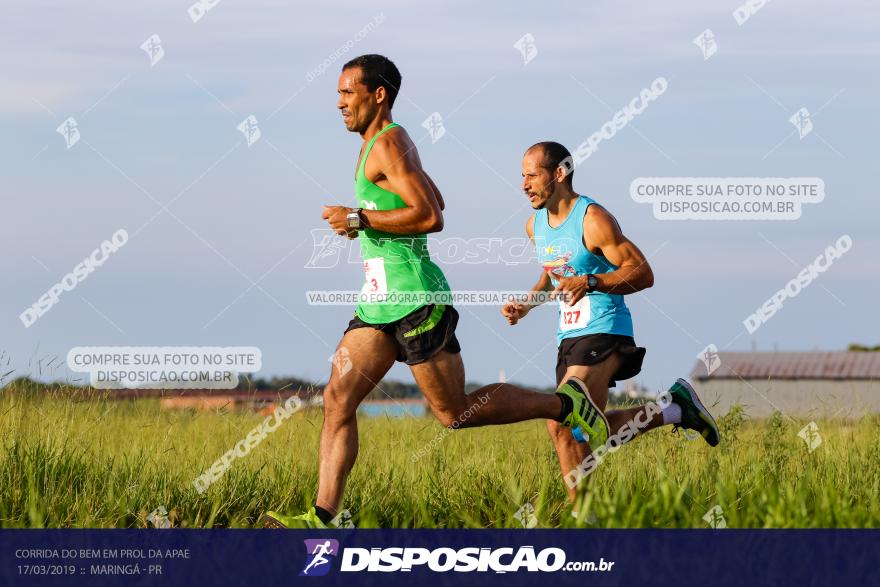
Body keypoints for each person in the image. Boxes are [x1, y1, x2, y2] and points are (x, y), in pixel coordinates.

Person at [261, 56, 604, 529]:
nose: (338, 102)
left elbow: (431, 217)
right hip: (378, 304)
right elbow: (434, 198)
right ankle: (322, 517)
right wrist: (374, 220)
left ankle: (564, 404)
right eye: (337, 93)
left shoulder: (390, 142)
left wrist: (359, 219)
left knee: (455, 413)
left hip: (417, 300)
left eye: (347, 92)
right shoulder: (381, 146)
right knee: (338, 399)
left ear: (377, 94)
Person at [501, 141, 720, 505]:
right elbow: (552, 273)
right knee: (578, 431)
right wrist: (527, 305)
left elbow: (643, 273)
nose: (524, 184)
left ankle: (582, 517)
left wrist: (591, 282)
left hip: (605, 328)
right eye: (522, 176)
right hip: (568, 335)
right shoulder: (534, 224)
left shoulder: (593, 219)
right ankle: (675, 409)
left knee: (563, 418)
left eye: (532, 175)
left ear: (559, 174)